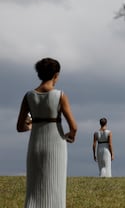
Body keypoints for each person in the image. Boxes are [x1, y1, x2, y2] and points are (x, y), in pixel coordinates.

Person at [16, 57, 77, 208]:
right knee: (55, 184)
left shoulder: (29, 96)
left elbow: (20, 126)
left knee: (34, 186)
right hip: (56, 144)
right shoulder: (60, 95)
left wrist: (32, 126)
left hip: (35, 143)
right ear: (56, 75)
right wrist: (70, 137)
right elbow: (73, 127)